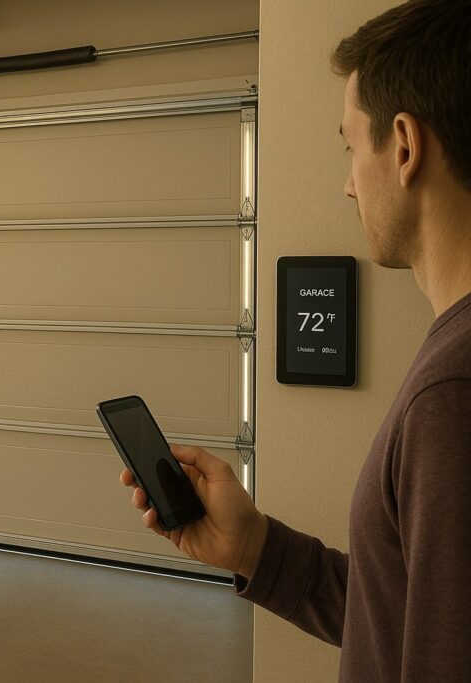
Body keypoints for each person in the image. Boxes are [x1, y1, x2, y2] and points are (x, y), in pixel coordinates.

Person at [120, 1, 471, 680]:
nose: (346, 184)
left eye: (350, 145)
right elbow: (403, 615)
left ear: (404, 145)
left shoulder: (452, 394)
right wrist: (250, 543)